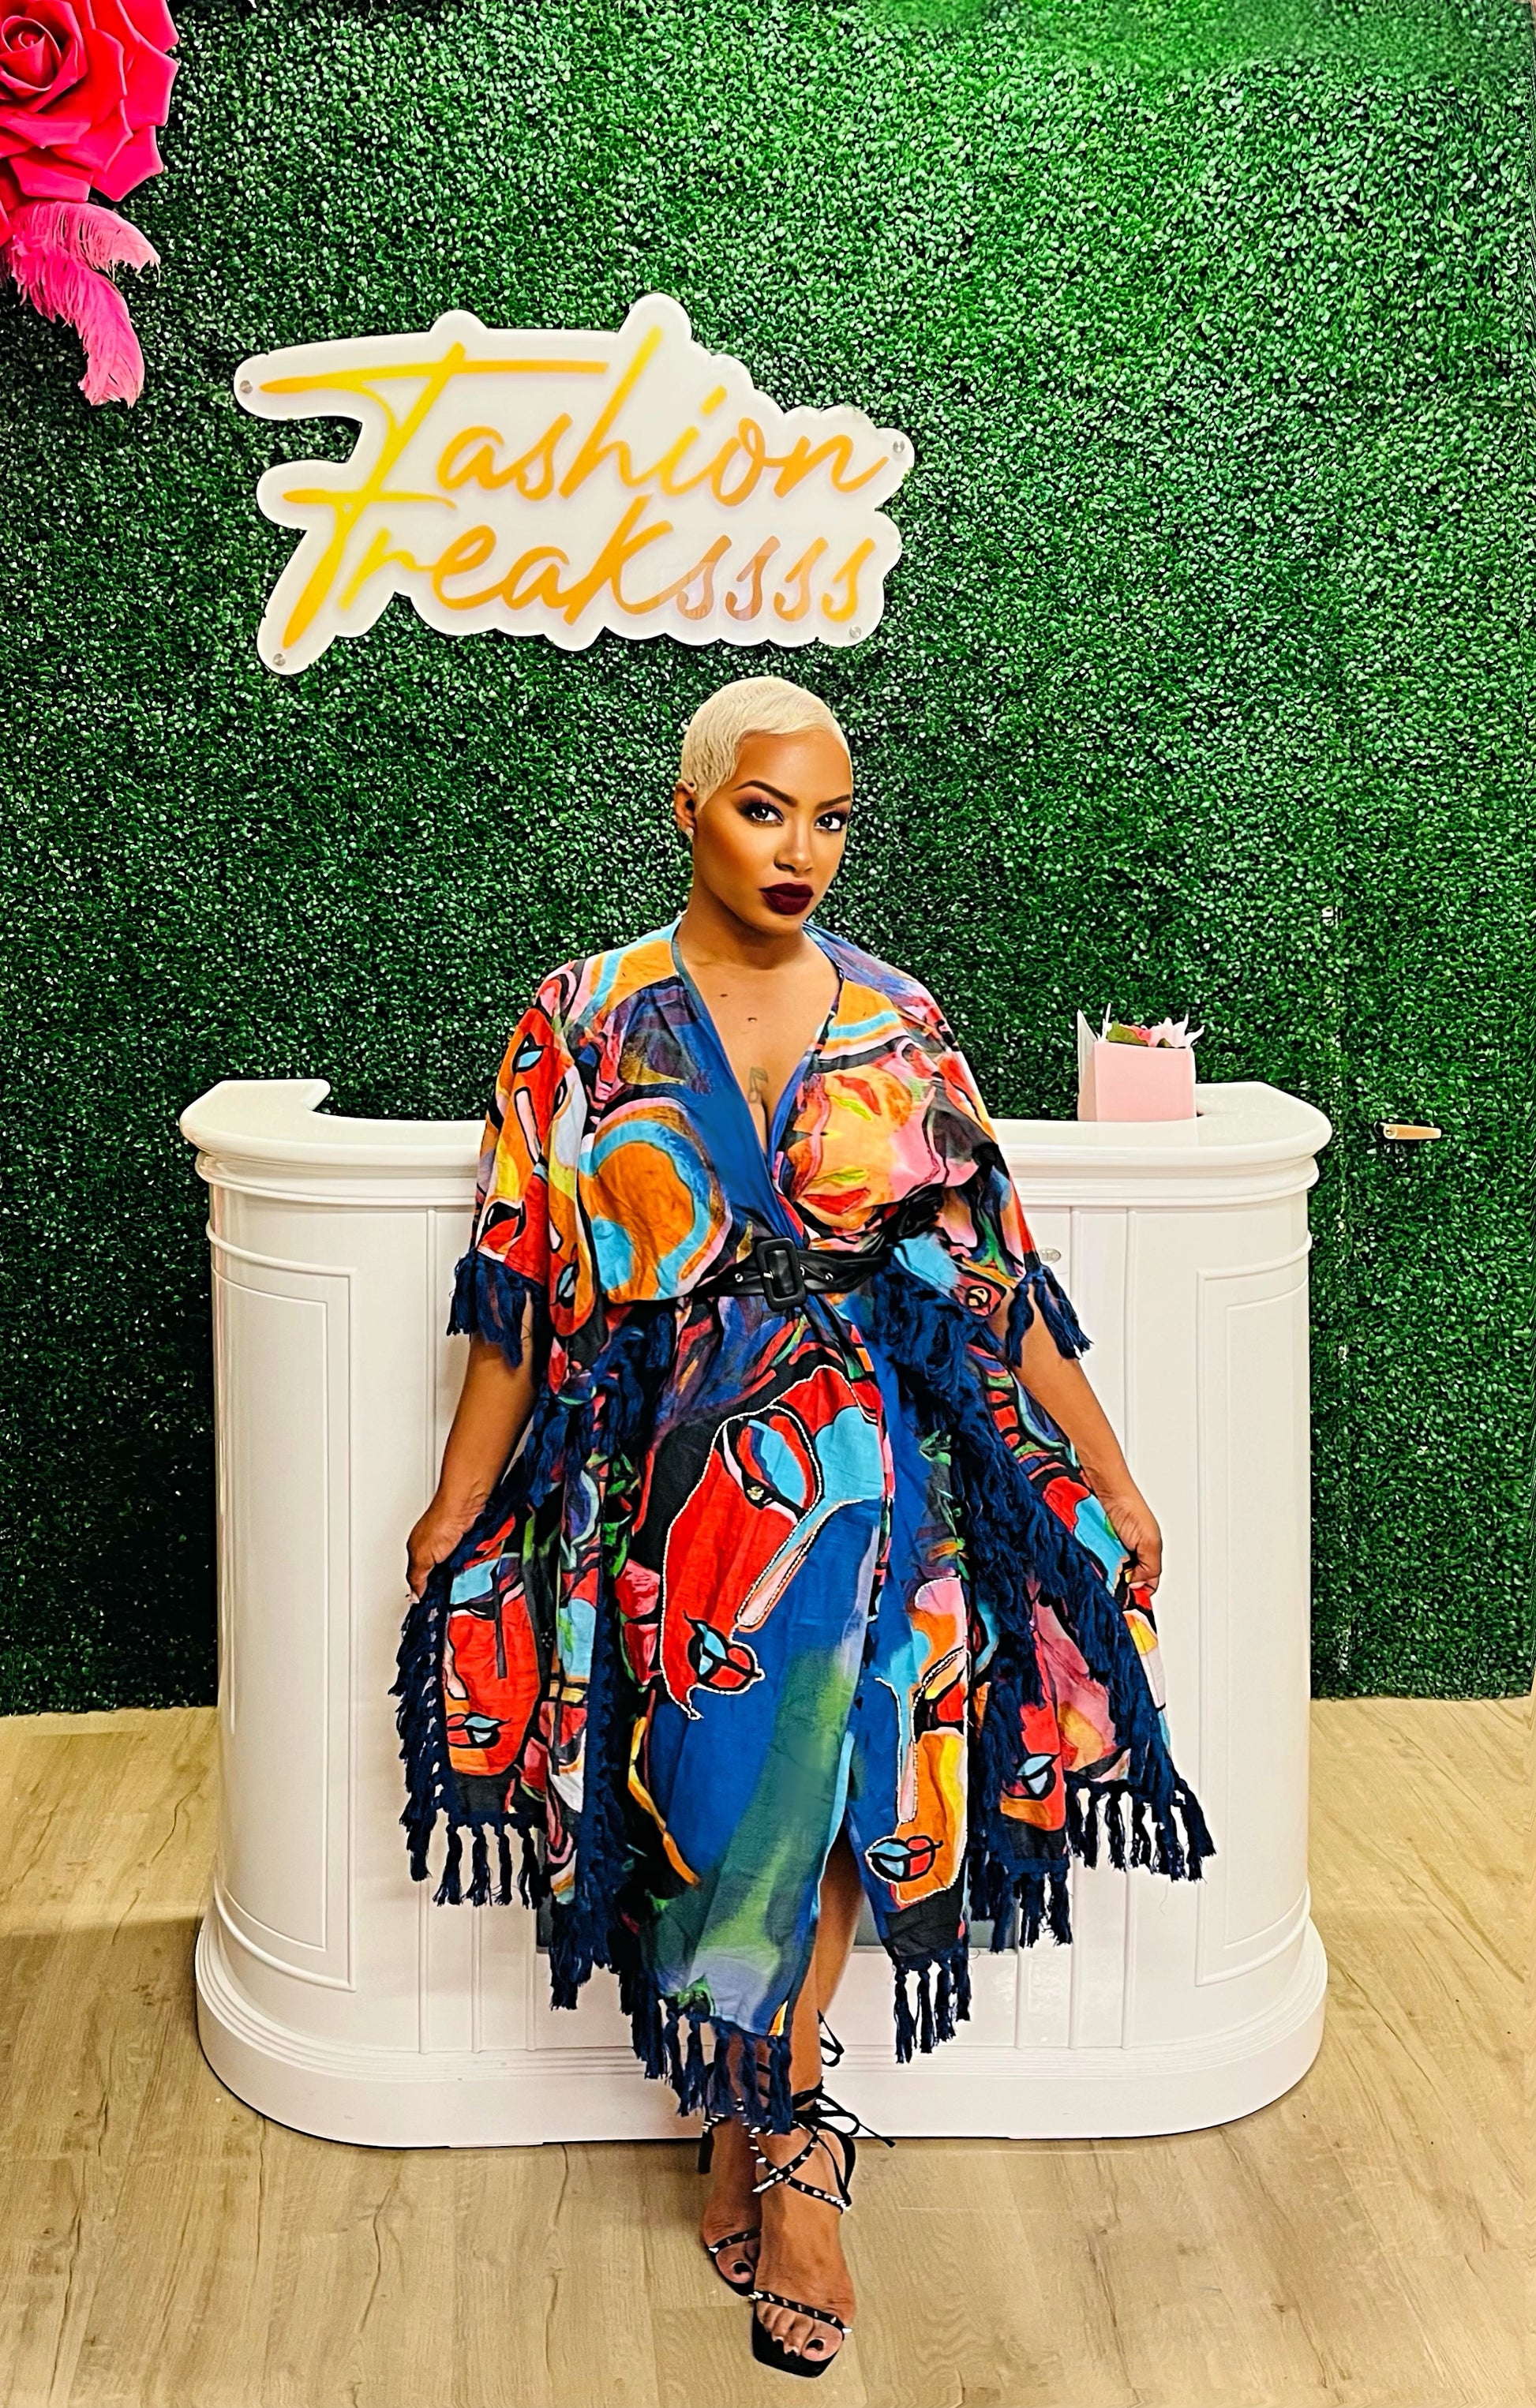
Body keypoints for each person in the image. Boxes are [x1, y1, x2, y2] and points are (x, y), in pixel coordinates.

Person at [398, 674, 1213, 2378]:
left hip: (873, 1469)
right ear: (689, 807)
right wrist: (461, 1495)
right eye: (764, 808)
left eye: (829, 818)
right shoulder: (584, 1015)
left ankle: (786, 2148)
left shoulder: (899, 1019)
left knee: (852, 1783)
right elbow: (517, 1281)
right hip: (679, 1482)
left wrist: (1115, 1469)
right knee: (712, 1805)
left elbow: (995, 1276)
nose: (800, 849)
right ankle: (759, 2107)